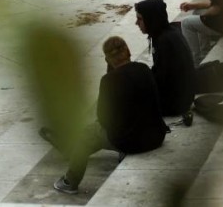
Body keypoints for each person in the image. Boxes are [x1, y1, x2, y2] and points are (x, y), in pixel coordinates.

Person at [44, 36, 167, 194]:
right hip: (156, 136)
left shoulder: (109, 81)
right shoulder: (143, 69)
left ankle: (70, 181)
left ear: (107, 59)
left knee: (89, 133)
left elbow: (103, 119)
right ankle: (74, 152)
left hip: (133, 142)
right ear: (128, 51)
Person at [134, 0, 197, 117]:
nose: (137, 23)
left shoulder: (164, 41)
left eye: (140, 19)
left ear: (150, 19)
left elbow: (161, 79)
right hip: (183, 98)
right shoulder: (169, 32)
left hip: (174, 104)